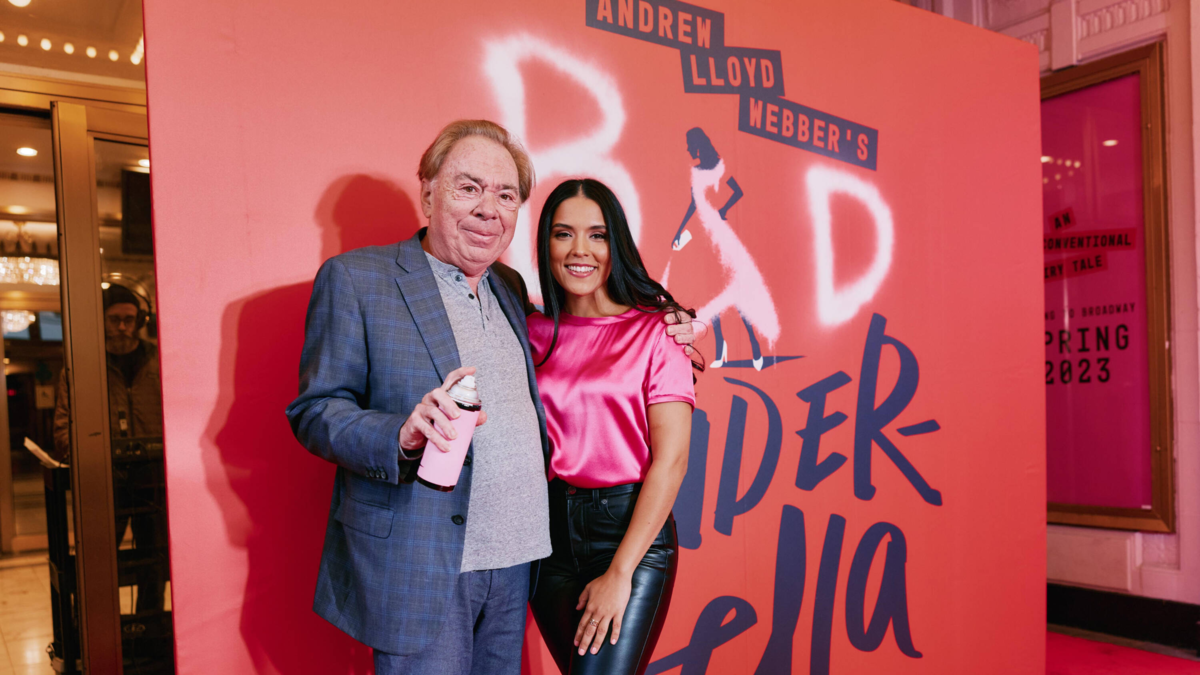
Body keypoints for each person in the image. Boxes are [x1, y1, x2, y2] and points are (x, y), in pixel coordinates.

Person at [285, 120, 694, 675]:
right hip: (425, 564)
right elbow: (314, 411)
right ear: (428, 193)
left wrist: (673, 326)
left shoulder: (509, 288)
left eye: (505, 195)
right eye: (469, 187)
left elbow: (597, 356)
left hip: (522, 562)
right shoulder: (358, 280)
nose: (488, 209)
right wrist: (399, 433)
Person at [528, 179, 698, 675]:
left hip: (626, 535)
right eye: (563, 233)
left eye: (597, 235)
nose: (579, 250)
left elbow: (672, 461)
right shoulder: (530, 332)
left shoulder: (657, 331)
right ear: (546, 244)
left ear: (616, 244)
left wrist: (621, 572)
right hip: (547, 541)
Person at [53, 282, 167, 613]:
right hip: (103, 482)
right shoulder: (81, 365)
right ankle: (98, 631)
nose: (122, 327)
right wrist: (85, 458)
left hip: (153, 481)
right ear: (100, 321)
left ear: (140, 321)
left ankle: (149, 632)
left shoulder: (159, 359)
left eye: (129, 319)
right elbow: (63, 427)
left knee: (154, 566)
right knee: (97, 565)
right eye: (114, 319)